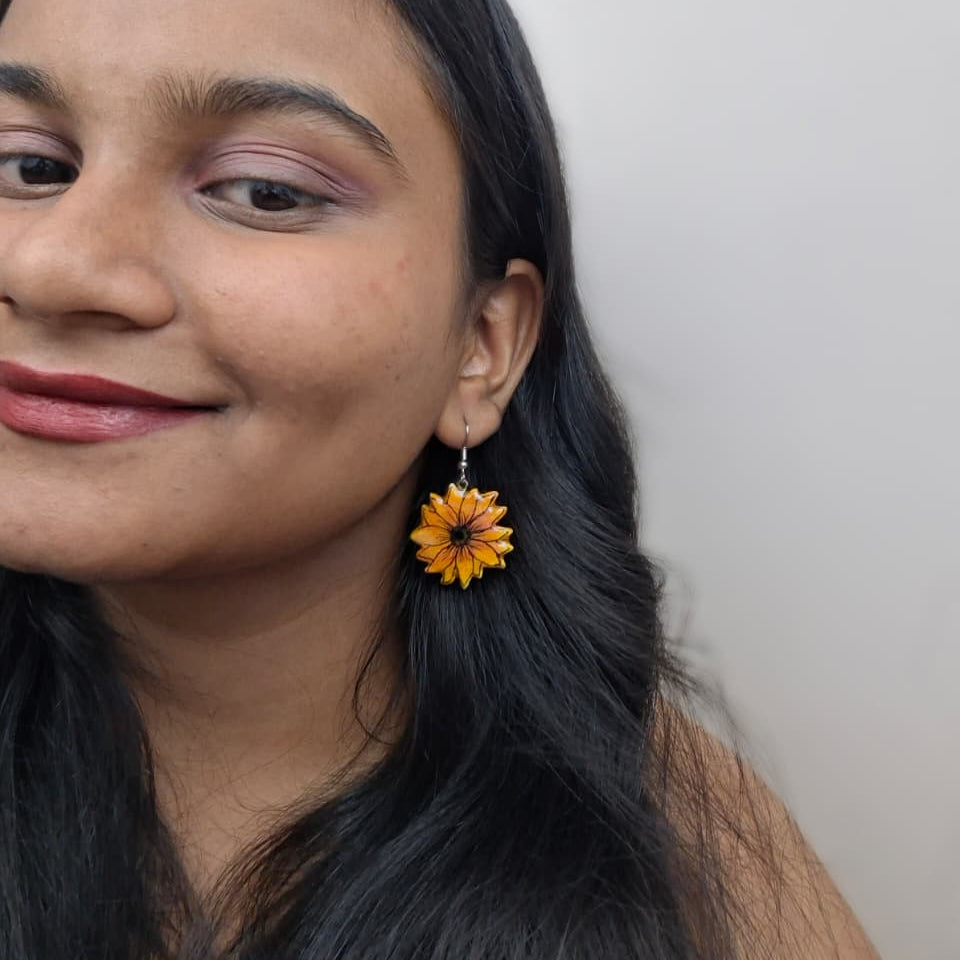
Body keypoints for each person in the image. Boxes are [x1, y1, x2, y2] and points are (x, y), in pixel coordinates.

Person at [0, 0, 884, 957]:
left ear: (483, 347)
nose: (51, 265)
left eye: (265, 190)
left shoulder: (683, 865)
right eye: (29, 167)